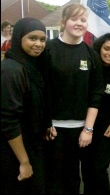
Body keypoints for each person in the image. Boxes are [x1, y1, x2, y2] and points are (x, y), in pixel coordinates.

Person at [43, 3, 105, 194]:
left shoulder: (91, 55)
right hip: (52, 129)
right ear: (63, 22)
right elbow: (40, 90)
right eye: (74, 19)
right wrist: (45, 122)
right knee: (53, 178)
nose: (79, 23)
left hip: (80, 131)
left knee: (73, 178)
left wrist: (88, 128)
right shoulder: (47, 50)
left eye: (83, 20)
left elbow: (96, 93)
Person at [1, 18, 54, 194]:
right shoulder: (11, 70)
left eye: (42, 39)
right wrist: (24, 162)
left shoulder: (31, 66)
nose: (39, 44)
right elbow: (8, 120)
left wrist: (46, 124)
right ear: (18, 38)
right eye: (32, 38)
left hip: (32, 143)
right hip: (14, 151)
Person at [81, 33, 110, 194]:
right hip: (84, 124)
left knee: (99, 168)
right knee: (86, 168)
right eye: (106, 48)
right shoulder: (89, 68)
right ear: (99, 48)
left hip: (106, 126)